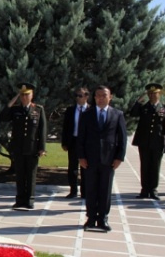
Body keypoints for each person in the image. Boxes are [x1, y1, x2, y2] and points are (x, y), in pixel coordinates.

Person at [77, 85, 127, 232]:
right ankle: (91, 218)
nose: (100, 98)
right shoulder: (87, 114)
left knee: (105, 190)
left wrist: (119, 157)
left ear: (110, 97)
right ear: (94, 97)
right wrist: (81, 156)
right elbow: (81, 137)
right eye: (98, 95)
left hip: (109, 159)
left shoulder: (117, 114)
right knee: (91, 189)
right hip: (90, 159)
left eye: (104, 95)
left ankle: (103, 219)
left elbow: (122, 139)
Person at [0, 82, 47, 210]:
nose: (24, 97)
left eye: (27, 94)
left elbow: (42, 130)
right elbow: (3, 116)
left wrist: (42, 148)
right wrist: (13, 99)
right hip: (18, 148)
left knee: (31, 175)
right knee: (20, 175)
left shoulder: (38, 109)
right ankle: (20, 200)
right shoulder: (15, 110)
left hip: (32, 148)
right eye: (22, 95)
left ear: (32, 95)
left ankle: (30, 200)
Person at [129, 83, 164, 201]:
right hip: (144, 142)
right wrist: (138, 102)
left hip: (157, 142)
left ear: (159, 94)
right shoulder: (144, 107)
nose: (152, 96)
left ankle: (153, 190)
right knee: (144, 165)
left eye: (155, 94)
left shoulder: (163, 108)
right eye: (150, 94)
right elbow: (133, 113)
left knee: (155, 166)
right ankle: (144, 190)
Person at [61, 87, 90, 199]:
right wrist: (64, 142)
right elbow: (66, 127)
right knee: (72, 167)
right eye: (76, 96)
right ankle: (73, 190)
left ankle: (85, 192)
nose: (78, 98)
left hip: (86, 143)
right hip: (73, 141)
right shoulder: (70, 110)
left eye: (80, 96)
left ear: (86, 96)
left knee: (85, 167)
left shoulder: (90, 110)